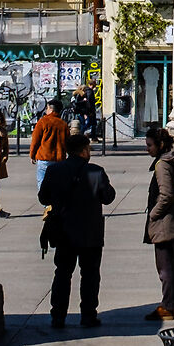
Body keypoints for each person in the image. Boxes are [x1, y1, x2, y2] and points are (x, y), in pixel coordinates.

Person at [39, 131, 116, 328]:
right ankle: (88, 315)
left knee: (62, 273)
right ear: (83, 151)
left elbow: (43, 197)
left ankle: (58, 315)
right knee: (90, 274)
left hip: (63, 230)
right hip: (89, 231)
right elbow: (108, 197)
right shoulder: (94, 172)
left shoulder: (55, 170)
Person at [143, 127, 174, 322]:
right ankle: (171, 306)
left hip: (165, 223)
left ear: (160, 145)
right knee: (172, 266)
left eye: (150, 145)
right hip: (172, 221)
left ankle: (168, 307)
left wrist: (153, 214)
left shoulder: (162, 164)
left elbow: (166, 194)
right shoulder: (171, 160)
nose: (147, 149)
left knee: (165, 268)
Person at [30, 102, 68, 192]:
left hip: (44, 157)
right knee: (57, 183)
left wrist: (32, 155)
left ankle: (45, 200)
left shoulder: (43, 122)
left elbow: (35, 140)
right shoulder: (63, 124)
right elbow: (67, 142)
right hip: (59, 158)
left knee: (42, 182)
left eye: (47, 108)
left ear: (50, 109)